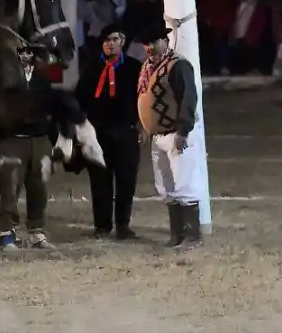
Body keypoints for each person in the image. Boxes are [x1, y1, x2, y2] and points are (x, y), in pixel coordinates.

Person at [135, 23, 201, 248]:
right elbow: (146, 99)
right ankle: (177, 234)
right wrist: (146, 126)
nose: (149, 47)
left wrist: (183, 130)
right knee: (166, 185)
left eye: (154, 42)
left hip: (175, 133)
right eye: (146, 44)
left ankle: (191, 235)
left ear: (165, 41)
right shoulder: (148, 67)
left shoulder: (178, 65)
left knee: (184, 183)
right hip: (158, 135)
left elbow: (188, 98)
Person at [75, 25, 143, 240]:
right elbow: (79, 99)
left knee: (126, 180)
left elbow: (144, 99)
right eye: (106, 40)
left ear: (122, 41)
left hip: (126, 130)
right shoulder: (92, 68)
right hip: (98, 132)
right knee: (99, 181)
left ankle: (123, 225)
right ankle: (102, 226)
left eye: (114, 39)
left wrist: (143, 125)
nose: (110, 44)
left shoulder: (134, 68)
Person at [0, 47, 56, 251]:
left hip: (40, 139)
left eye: (28, 52)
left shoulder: (43, 79)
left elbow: (51, 108)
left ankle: (37, 232)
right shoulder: (5, 78)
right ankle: (6, 233)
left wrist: (52, 139)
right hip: (14, 140)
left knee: (39, 188)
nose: (24, 56)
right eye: (21, 52)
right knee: (10, 188)